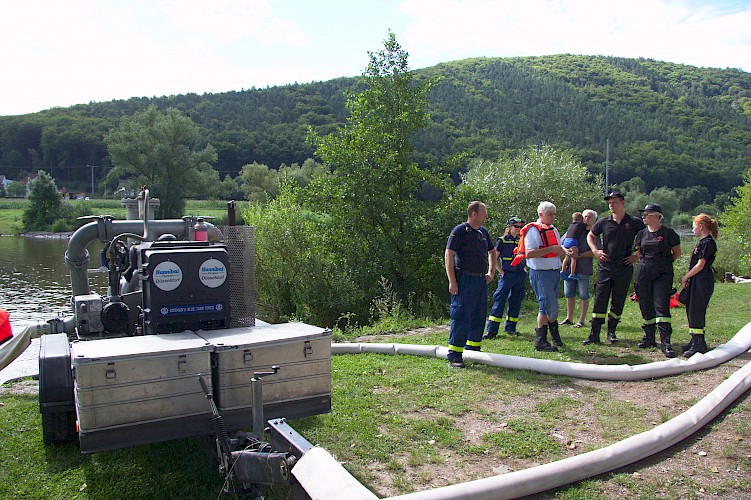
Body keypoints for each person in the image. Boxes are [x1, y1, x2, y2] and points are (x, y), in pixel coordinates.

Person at [582, 191, 646, 345]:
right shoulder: (604, 222)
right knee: (600, 299)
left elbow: (647, 237)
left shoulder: (634, 222)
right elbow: (590, 236)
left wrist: (637, 256)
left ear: (622, 203)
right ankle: (594, 334)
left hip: (624, 266)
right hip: (606, 266)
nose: (611, 204)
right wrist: (595, 251)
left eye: (614, 202)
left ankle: (611, 331)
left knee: (618, 300)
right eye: (609, 202)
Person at [445, 201, 497, 368]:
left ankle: (473, 349)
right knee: (462, 315)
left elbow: (493, 252)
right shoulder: (460, 231)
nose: (486, 216)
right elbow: (449, 256)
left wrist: (491, 272)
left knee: (478, 314)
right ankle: (455, 355)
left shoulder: (483, 232)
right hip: (465, 280)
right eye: (483, 213)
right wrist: (452, 281)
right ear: (474, 214)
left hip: (480, 280)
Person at [511, 201, 565, 351]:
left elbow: (558, 248)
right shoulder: (533, 230)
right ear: (540, 215)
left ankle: (547, 339)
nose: (553, 217)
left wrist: (564, 250)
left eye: (554, 214)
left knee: (545, 307)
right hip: (540, 272)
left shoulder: (553, 229)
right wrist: (552, 249)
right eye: (550, 214)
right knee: (550, 306)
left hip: (554, 271)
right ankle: (545, 338)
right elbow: (529, 253)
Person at [633, 203, 682, 358]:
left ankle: (665, 342)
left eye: (646, 214)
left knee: (661, 305)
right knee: (645, 304)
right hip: (644, 271)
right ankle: (649, 338)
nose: (643, 217)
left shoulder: (668, 233)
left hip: (663, 273)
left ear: (656, 216)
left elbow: (677, 253)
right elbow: (639, 252)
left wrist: (663, 264)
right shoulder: (641, 234)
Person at [680, 213, 718, 357]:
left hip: (702, 280)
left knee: (696, 310)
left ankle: (698, 344)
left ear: (701, 227)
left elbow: (700, 265)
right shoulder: (702, 242)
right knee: (691, 308)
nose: (693, 230)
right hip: (697, 280)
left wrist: (686, 277)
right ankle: (696, 339)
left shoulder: (708, 243)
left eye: (694, 227)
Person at [484, 216, 526, 339]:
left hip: (519, 274)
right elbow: (493, 257)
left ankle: (511, 328)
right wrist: (500, 271)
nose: (519, 229)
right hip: (507, 275)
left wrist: (524, 268)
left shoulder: (522, 240)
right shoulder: (502, 240)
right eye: (516, 226)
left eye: (520, 227)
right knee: (499, 300)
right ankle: (492, 330)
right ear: (510, 227)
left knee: (516, 300)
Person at [561, 209, 597, 328]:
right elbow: (561, 242)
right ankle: (569, 318)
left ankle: (581, 320)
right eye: (584, 216)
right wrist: (567, 251)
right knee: (568, 293)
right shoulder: (574, 228)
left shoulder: (594, 233)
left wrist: (579, 255)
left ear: (593, 220)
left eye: (589, 217)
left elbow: (595, 251)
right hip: (570, 266)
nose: (586, 218)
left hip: (584, 267)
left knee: (583, 294)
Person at [560, 212, 587, 280]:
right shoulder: (580, 225)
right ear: (581, 219)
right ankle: (572, 273)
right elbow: (588, 227)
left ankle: (562, 271)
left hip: (566, 241)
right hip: (573, 241)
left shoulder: (571, 225)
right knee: (574, 257)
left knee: (567, 257)